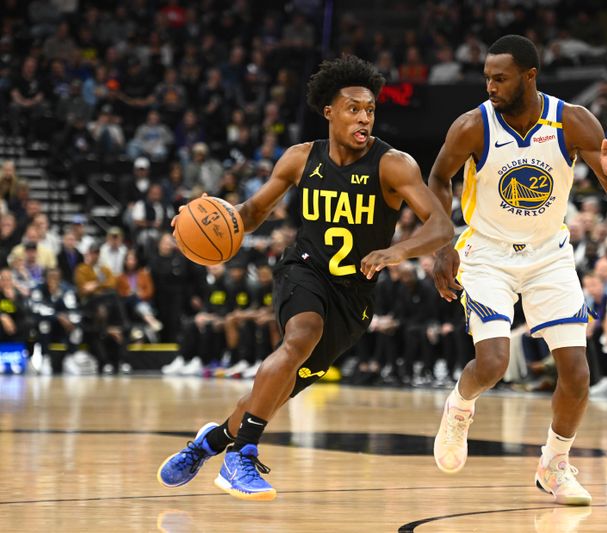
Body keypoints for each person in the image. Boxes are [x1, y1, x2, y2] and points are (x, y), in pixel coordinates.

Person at [157, 56, 452, 500]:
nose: (364, 118)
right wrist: (214, 219)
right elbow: (253, 212)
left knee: (272, 394)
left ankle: (209, 443)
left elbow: (441, 226)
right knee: (299, 337)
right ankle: (242, 455)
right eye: (353, 108)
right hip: (304, 270)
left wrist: (398, 251)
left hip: (353, 299)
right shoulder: (300, 158)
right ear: (329, 111)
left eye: (370, 110)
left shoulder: (394, 165)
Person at [426, 35, 607, 506]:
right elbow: (438, 176)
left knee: (577, 375)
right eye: (487, 77)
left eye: (500, 78)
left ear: (530, 75)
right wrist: (444, 243)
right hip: (488, 253)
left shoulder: (572, 120)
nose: (490, 86)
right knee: (493, 363)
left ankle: (554, 464)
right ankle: (460, 408)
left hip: (549, 255)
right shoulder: (473, 126)